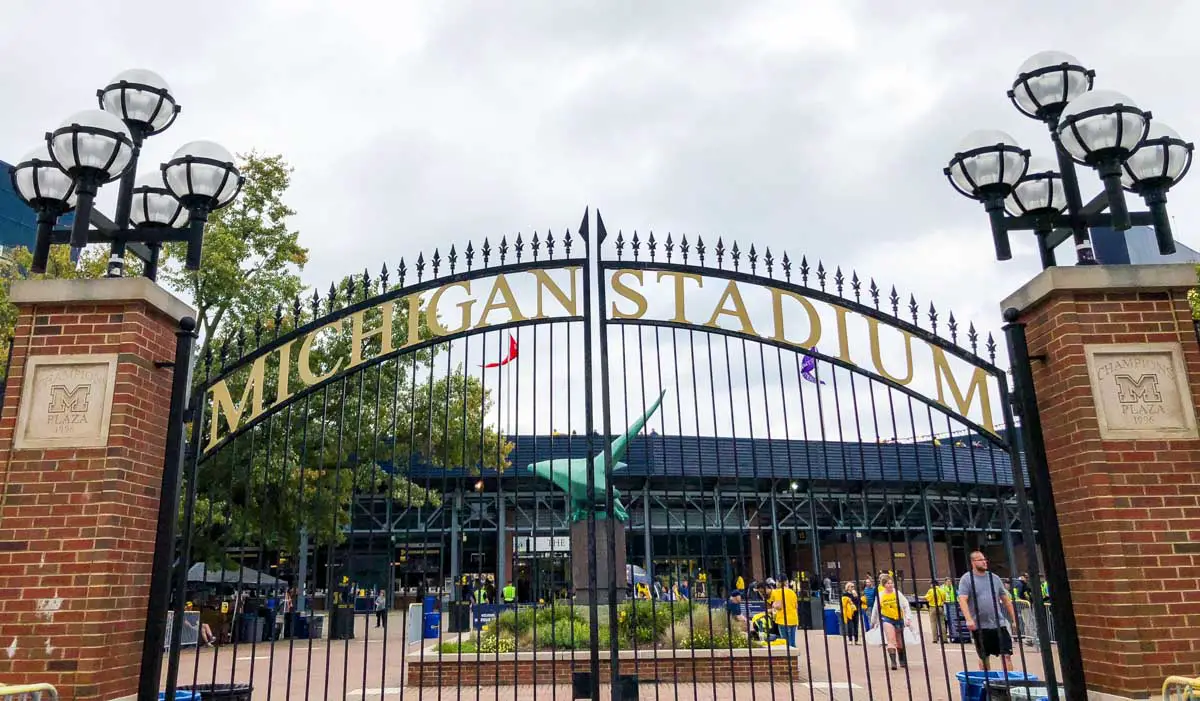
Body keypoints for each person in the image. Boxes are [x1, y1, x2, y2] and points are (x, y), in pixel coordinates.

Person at [958, 551, 1017, 672]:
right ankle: (987, 683)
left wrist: (1014, 620)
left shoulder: (994, 578)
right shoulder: (966, 579)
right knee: (984, 656)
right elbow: (962, 600)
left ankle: (1010, 683)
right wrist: (968, 619)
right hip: (980, 625)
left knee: (1006, 655)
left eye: (985, 559)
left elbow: (1006, 600)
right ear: (973, 562)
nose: (984, 562)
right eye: (980, 560)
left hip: (999, 624)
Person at [868, 574, 913, 670]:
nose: (890, 585)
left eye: (891, 583)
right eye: (888, 583)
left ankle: (902, 659)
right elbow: (876, 609)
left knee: (899, 641)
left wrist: (908, 618)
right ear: (884, 585)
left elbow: (905, 605)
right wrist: (873, 622)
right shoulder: (880, 595)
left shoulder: (897, 594)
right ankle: (893, 662)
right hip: (887, 619)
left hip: (898, 618)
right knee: (891, 639)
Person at [765, 578, 799, 647]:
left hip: (783, 620)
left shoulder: (777, 592)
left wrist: (773, 605)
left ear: (779, 582)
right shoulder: (792, 592)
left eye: (777, 582)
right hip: (794, 619)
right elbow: (796, 606)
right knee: (792, 643)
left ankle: (788, 656)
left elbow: (779, 606)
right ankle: (793, 656)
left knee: (785, 642)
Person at [924, 577, 949, 643]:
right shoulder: (942, 591)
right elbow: (944, 599)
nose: (930, 585)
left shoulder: (931, 591)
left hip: (933, 607)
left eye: (931, 584)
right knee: (942, 623)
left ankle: (935, 639)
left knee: (933, 623)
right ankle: (944, 639)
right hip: (940, 607)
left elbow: (927, 598)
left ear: (933, 584)